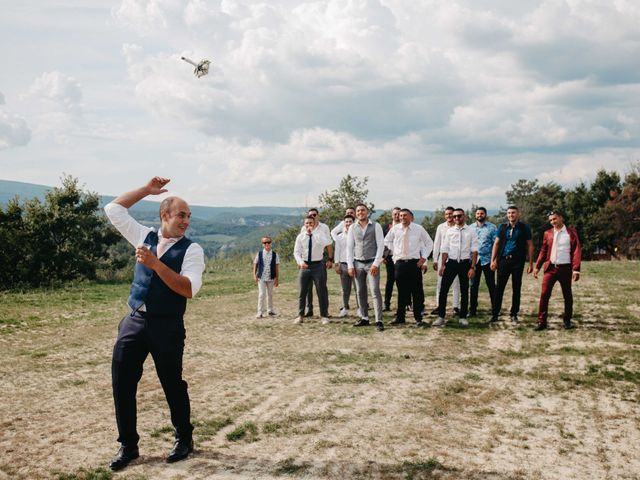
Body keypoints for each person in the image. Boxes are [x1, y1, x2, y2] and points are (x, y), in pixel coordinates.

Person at [104, 177, 205, 471]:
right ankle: (128, 445)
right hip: (134, 320)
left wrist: (156, 264)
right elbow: (113, 209)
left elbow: (189, 289)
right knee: (122, 382)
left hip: (167, 325)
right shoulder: (143, 235)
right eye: (181, 215)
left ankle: (184, 439)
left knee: (172, 383)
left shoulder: (193, 249)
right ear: (164, 215)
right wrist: (146, 191)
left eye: (188, 216)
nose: (186, 221)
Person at [533, 210, 582, 330]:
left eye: (554, 219)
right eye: (550, 220)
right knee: (544, 295)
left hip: (565, 269)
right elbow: (543, 251)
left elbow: (576, 251)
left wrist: (576, 270)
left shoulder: (571, 232)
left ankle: (567, 320)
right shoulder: (547, 233)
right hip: (550, 269)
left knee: (567, 295)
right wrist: (537, 267)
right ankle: (541, 322)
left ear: (561, 218)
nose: (552, 222)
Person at [384, 208, 433, 327]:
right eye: (400, 216)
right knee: (401, 292)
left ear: (411, 217)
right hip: (400, 264)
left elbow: (429, 243)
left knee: (416, 291)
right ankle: (400, 318)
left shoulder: (418, 228)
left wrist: (424, 258)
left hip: (414, 263)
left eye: (405, 215)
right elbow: (386, 241)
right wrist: (395, 252)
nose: (402, 218)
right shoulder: (395, 229)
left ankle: (418, 318)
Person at [433, 209, 478, 327]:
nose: (457, 218)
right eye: (455, 216)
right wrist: (442, 265)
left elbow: (474, 251)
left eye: (459, 216)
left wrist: (472, 267)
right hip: (451, 263)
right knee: (443, 290)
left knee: (464, 291)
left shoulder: (471, 231)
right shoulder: (449, 231)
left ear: (464, 217)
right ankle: (441, 316)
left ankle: (462, 316)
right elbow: (444, 249)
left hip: (464, 264)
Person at [490, 206, 534, 324]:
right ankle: (495, 314)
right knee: (499, 288)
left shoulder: (524, 228)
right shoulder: (502, 227)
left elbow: (530, 245)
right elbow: (497, 243)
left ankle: (514, 314)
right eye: (509, 213)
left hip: (517, 262)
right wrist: (493, 260)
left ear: (518, 214)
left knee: (516, 288)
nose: (511, 215)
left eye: (513, 213)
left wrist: (530, 263)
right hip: (503, 261)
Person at [346, 204, 386, 331]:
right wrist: (350, 265)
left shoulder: (376, 226)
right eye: (358, 211)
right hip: (357, 263)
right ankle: (364, 318)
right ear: (356, 213)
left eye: (362, 210)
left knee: (374, 290)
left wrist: (376, 263)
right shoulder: (352, 227)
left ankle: (378, 320)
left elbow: (381, 246)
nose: (360, 212)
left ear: (367, 212)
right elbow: (349, 247)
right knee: (360, 291)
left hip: (371, 263)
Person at [294, 216, 332, 324]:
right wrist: (300, 262)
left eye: (311, 223)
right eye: (306, 223)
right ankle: (300, 315)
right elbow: (296, 252)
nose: (308, 225)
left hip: (318, 265)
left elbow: (326, 243)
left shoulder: (320, 235)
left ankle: (324, 315)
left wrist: (314, 233)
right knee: (302, 292)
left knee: (321, 291)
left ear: (314, 223)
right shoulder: (300, 237)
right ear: (304, 224)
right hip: (305, 265)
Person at [468, 207, 497, 317]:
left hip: (487, 260)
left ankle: (495, 309)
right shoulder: (470, 228)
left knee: (491, 285)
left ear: (485, 215)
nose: (480, 215)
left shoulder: (492, 227)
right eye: (478, 213)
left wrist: (494, 260)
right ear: (475, 215)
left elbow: (496, 244)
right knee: (473, 286)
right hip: (474, 261)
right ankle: (472, 310)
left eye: (482, 213)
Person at [431, 207, 461, 315]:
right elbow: (437, 243)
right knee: (440, 284)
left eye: (450, 214)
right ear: (445, 216)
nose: (449, 216)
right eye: (447, 214)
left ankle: (456, 306)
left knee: (455, 283)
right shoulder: (441, 227)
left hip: (455, 258)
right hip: (442, 258)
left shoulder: (458, 226)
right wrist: (435, 259)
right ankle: (440, 305)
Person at [333, 214, 358, 318]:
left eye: (350, 222)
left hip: (356, 264)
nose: (348, 223)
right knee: (345, 289)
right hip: (343, 264)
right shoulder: (340, 237)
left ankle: (360, 308)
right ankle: (345, 308)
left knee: (358, 288)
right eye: (346, 222)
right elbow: (337, 251)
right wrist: (337, 263)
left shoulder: (357, 235)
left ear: (353, 223)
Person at [253, 235, 279, 318]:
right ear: (262, 244)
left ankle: (270, 310)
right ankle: (259, 312)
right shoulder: (259, 254)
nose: (267, 244)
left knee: (270, 294)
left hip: (271, 277)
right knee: (262, 294)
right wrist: (254, 275)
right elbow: (255, 264)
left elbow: (276, 267)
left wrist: (277, 279)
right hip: (261, 278)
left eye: (268, 242)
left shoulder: (275, 255)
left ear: (271, 243)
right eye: (265, 242)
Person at [383, 207, 401, 311]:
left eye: (399, 214)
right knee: (390, 281)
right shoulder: (386, 227)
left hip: (401, 258)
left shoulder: (405, 226)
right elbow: (382, 242)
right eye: (395, 214)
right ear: (392, 215)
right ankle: (386, 304)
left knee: (402, 281)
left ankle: (406, 303)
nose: (397, 216)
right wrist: (383, 256)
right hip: (389, 257)